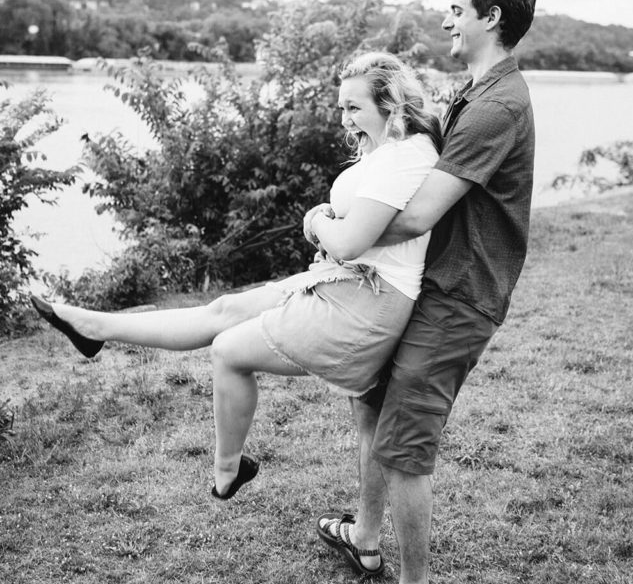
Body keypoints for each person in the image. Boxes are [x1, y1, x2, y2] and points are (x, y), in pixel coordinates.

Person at [31, 51, 442, 501]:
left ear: (389, 104)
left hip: (365, 302)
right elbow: (359, 229)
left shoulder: (403, 155)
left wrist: (316, 220)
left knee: (228, 350)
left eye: (354, 108)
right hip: (343, 280)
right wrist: (330, 219)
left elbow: (348, 242)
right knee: (224, 309)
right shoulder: (385, 149)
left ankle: (227, 471)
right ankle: (93, 327)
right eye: (341, 107)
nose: (344, 120)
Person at [313, 0, 536, 584]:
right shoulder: (477, 91)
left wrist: (325, 222)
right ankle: (365, 539)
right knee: (371, 403)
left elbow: (414, 219)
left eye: (455, 8)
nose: (445, 19)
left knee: (404, 442)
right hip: (432, 283)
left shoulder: (497, 105)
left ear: (490, 16)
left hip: (459, 292)